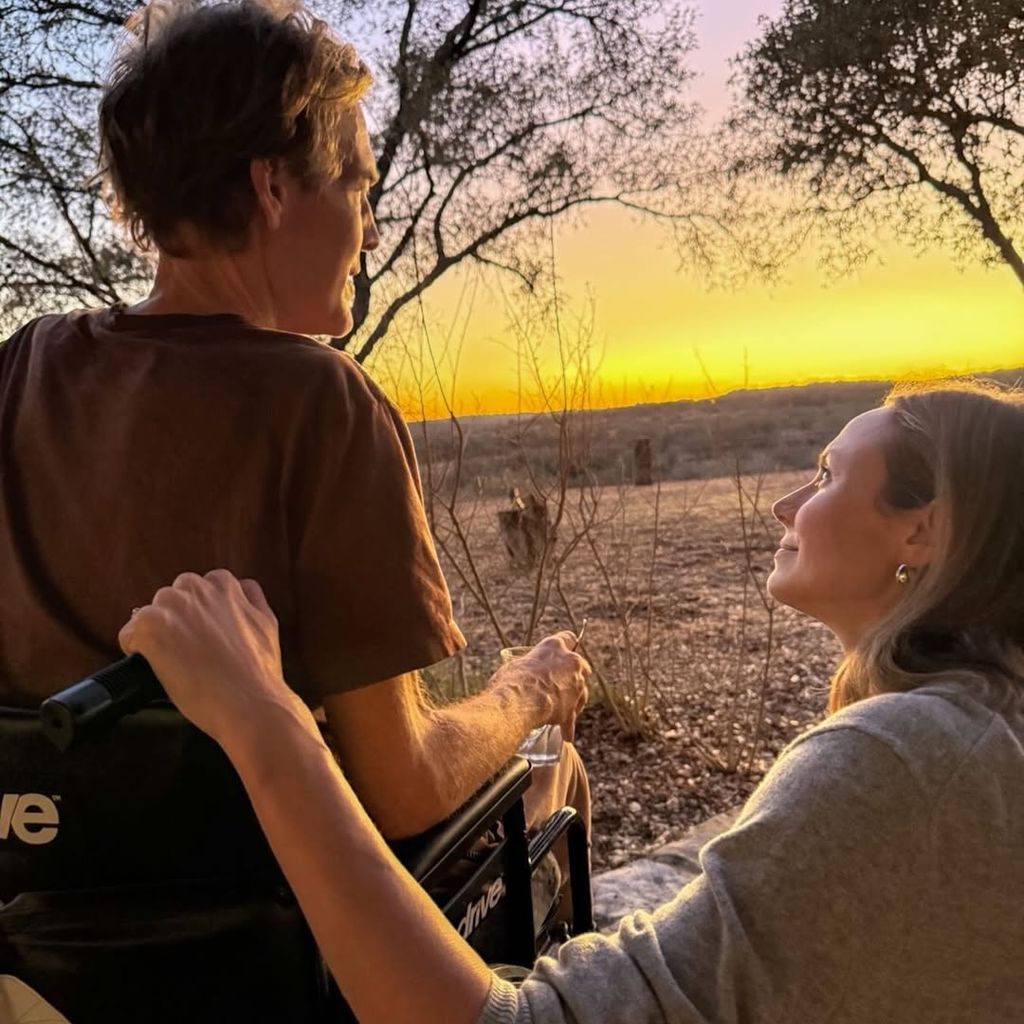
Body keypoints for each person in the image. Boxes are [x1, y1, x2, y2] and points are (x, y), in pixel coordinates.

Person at [122, 381, 1024, 1023]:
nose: (785, 503)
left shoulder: (902, 759)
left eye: (826, 475)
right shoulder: (977, 729)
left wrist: (264, 720)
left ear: (924, 527)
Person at [0, 0, 588, 842]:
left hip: (42, 918)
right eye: (357, 184)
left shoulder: (23, 367)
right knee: (551, 764)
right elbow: (406, 785)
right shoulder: (322, 403)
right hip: (275, 929)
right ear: (271, 185)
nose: (372, 228)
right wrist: (528, 688)